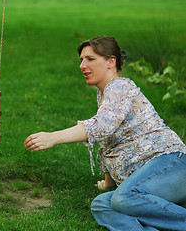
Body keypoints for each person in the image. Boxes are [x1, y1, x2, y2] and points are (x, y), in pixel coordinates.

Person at [24, 36, 186, 230]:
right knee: (101, 204)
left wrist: (53, 137)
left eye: (90, 59)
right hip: (149, 178)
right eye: (81, 60)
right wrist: (109, 182)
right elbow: (109, 141)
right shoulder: (105, 93)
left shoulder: (121, 87)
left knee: (124, 198)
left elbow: (102, 126)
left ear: (111, 62)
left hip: (171, 164)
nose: (82, 65)